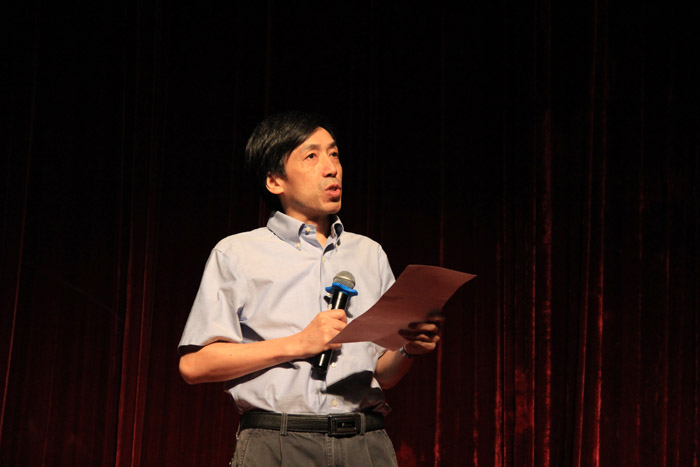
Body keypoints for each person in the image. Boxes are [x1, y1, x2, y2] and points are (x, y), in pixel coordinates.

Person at [178, 111, 440, 466]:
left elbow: (382, 373)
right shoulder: (237, 253)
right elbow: (195, 365)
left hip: (365, 442)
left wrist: (408, 349)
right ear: (275, 181)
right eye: (312, 156)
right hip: (278, 442)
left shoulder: (369, 254)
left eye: (334, 154)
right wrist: (299, 343)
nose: (331, 168)